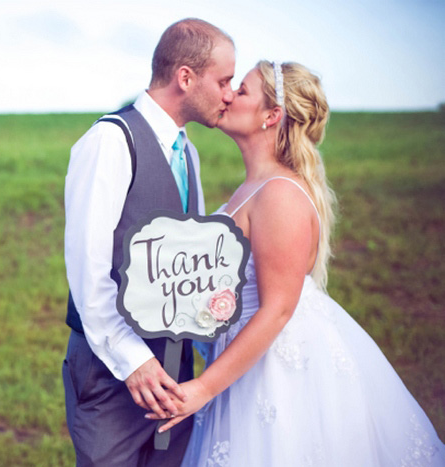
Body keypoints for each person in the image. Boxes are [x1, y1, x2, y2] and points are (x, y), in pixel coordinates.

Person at [146, 60, 445, 466]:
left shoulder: (280, 195)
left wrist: (203, 389)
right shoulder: (252, 188)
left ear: (272, 116)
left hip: (277, 375)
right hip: (240, 362)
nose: (230, 94)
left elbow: (278, 309)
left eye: (244, 89)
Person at [62, 18, 235, 466]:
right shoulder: (110, 142)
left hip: (175, 378)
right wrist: (133, 360)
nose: (230, 94)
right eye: (224, 80)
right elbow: (88, 272)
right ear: (185, 77)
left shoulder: (189, 154)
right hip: (111, 376)